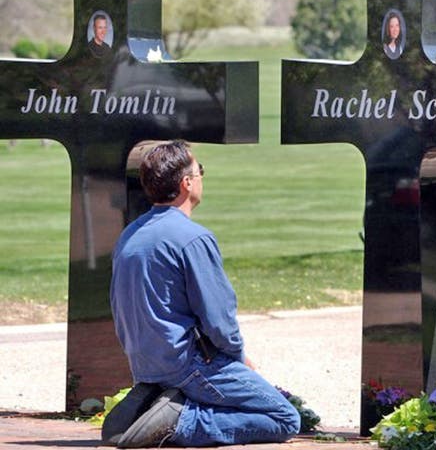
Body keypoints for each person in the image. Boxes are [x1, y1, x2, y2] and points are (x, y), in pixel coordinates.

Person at [104, 140, 300, 447]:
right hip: (186, 366)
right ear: (186, 183)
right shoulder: (192, 238)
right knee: (284, 418)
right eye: (200, 172)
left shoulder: (129, 234)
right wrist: (238, 358)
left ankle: (154, 405)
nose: (201, 178)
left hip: (144, 364)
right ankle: (178, 422)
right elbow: (218, 318)